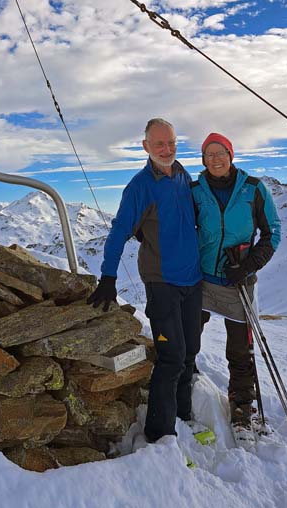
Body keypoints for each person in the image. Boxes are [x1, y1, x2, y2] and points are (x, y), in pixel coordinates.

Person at [88, 118, 203, 443]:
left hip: (192, 282)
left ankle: (184, 419)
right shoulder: (140, 186)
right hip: (162, 282)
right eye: (159, 144)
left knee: (190, 350)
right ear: (146, 147)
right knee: (171, 357)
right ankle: (160, 435)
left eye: (171, 143)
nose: (166, 149)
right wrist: (108, 276)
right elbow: (119, 231)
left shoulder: (182, 175)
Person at [191, 132, 281, 430]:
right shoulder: (195, 190)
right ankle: (185, 386)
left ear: (231, 155)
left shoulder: (254, 189)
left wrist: (248, 266)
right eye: (209, 154)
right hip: (201, 278)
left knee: (240, 351)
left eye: (221, 153)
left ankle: (242, 406)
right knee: (188, 337)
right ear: (203, 160)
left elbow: (272, 234)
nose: (215, 159)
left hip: (238, 281)